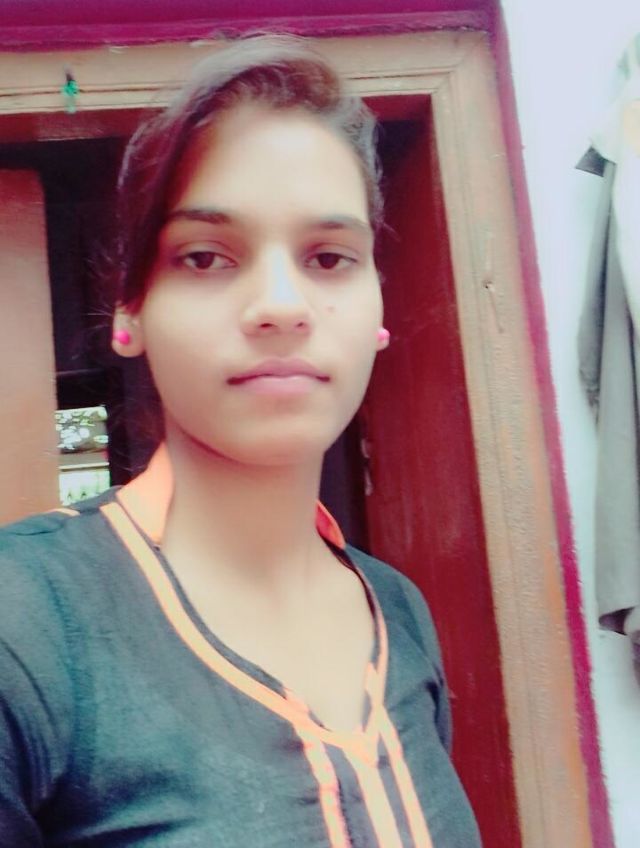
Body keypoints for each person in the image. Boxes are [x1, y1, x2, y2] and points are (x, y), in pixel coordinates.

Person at [0, 34, 482, 848]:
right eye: (205, 258)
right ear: (130, 313)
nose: (282, 306)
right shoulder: (27, 622)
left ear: (377, 314)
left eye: (329, 257)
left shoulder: (397, 610)